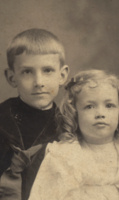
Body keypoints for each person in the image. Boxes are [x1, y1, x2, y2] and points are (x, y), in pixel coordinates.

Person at [28, 69, 119, 200]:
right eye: (89, 106)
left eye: (109, 105)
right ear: (75, 113)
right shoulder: (63, 155)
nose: (100, 113)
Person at [0, 28, 69, 200]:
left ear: (62, 75)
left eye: (47, 70)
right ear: (11, 77)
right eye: (27, 72)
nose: (39, 82)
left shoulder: (69, 128)